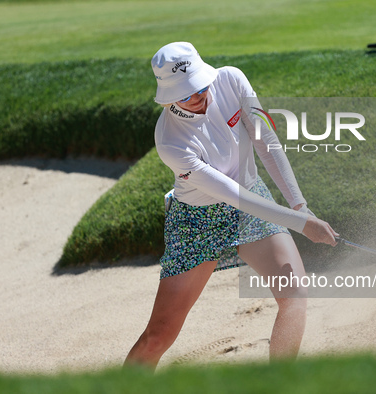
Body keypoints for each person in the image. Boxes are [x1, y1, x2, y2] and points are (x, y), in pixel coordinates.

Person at [124, 42, 338, 368]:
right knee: (159, 335)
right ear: (168, 97)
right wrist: (302, 225)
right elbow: (231, 195)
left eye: (199, 84)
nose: (197, 95)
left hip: (251, 192)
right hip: (198, 220)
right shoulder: (170, 141)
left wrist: (299, 206)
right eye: (186, 93)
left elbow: (265, 142)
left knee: (294, 294)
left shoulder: (231, 80)